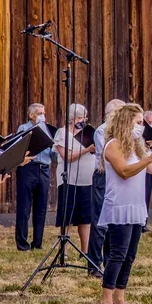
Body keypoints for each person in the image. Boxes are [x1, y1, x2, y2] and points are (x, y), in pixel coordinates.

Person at [97, 104, 152, 304]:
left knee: (130, 254)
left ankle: (120, 296)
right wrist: (148, 159)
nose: (141, 127)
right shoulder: (113, 144)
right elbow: (124, 171)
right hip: (119, 205)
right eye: (138, 122)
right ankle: (106, 300)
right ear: (126, 122)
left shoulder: (136, 146)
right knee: (117, 253)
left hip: (136, 205)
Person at [88, 99, 126, 278]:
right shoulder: (102, 131)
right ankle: (94, 264)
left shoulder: (124, 132)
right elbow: (110, 155)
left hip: (119, 177)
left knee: (114, 220)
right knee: (99, 221)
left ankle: (111, 261)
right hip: (103, 176)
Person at [54, 104, 96, 257]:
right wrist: (86, 150)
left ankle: (85, 251)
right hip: (68, 180)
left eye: (84, 117)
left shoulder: (88, 133)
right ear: (71, 119)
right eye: (79, 117)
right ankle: (63, 251)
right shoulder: (62, 133)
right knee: (67, 216)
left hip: (87, 180)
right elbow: (67, 156)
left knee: (86, 217)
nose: (83, 120)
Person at [15, 103, 57, 251]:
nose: (42, 116)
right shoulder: (23, 128)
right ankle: (22, 244)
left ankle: (37, 243)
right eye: (39, 113)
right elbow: (19, 148)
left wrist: (56, 149)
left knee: (41, 207)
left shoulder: (49, 130)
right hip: (28, 168)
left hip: (44, 169)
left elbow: (53, 154)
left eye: (43, 113)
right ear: (31, 115)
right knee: (24, 206)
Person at [142, 110, 152, 233]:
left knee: (147, 195)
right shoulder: (139, 133)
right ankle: (140, 222)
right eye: (149, 122)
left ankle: (144, 221)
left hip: (150, 167)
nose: (151, 124)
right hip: (140, 168)